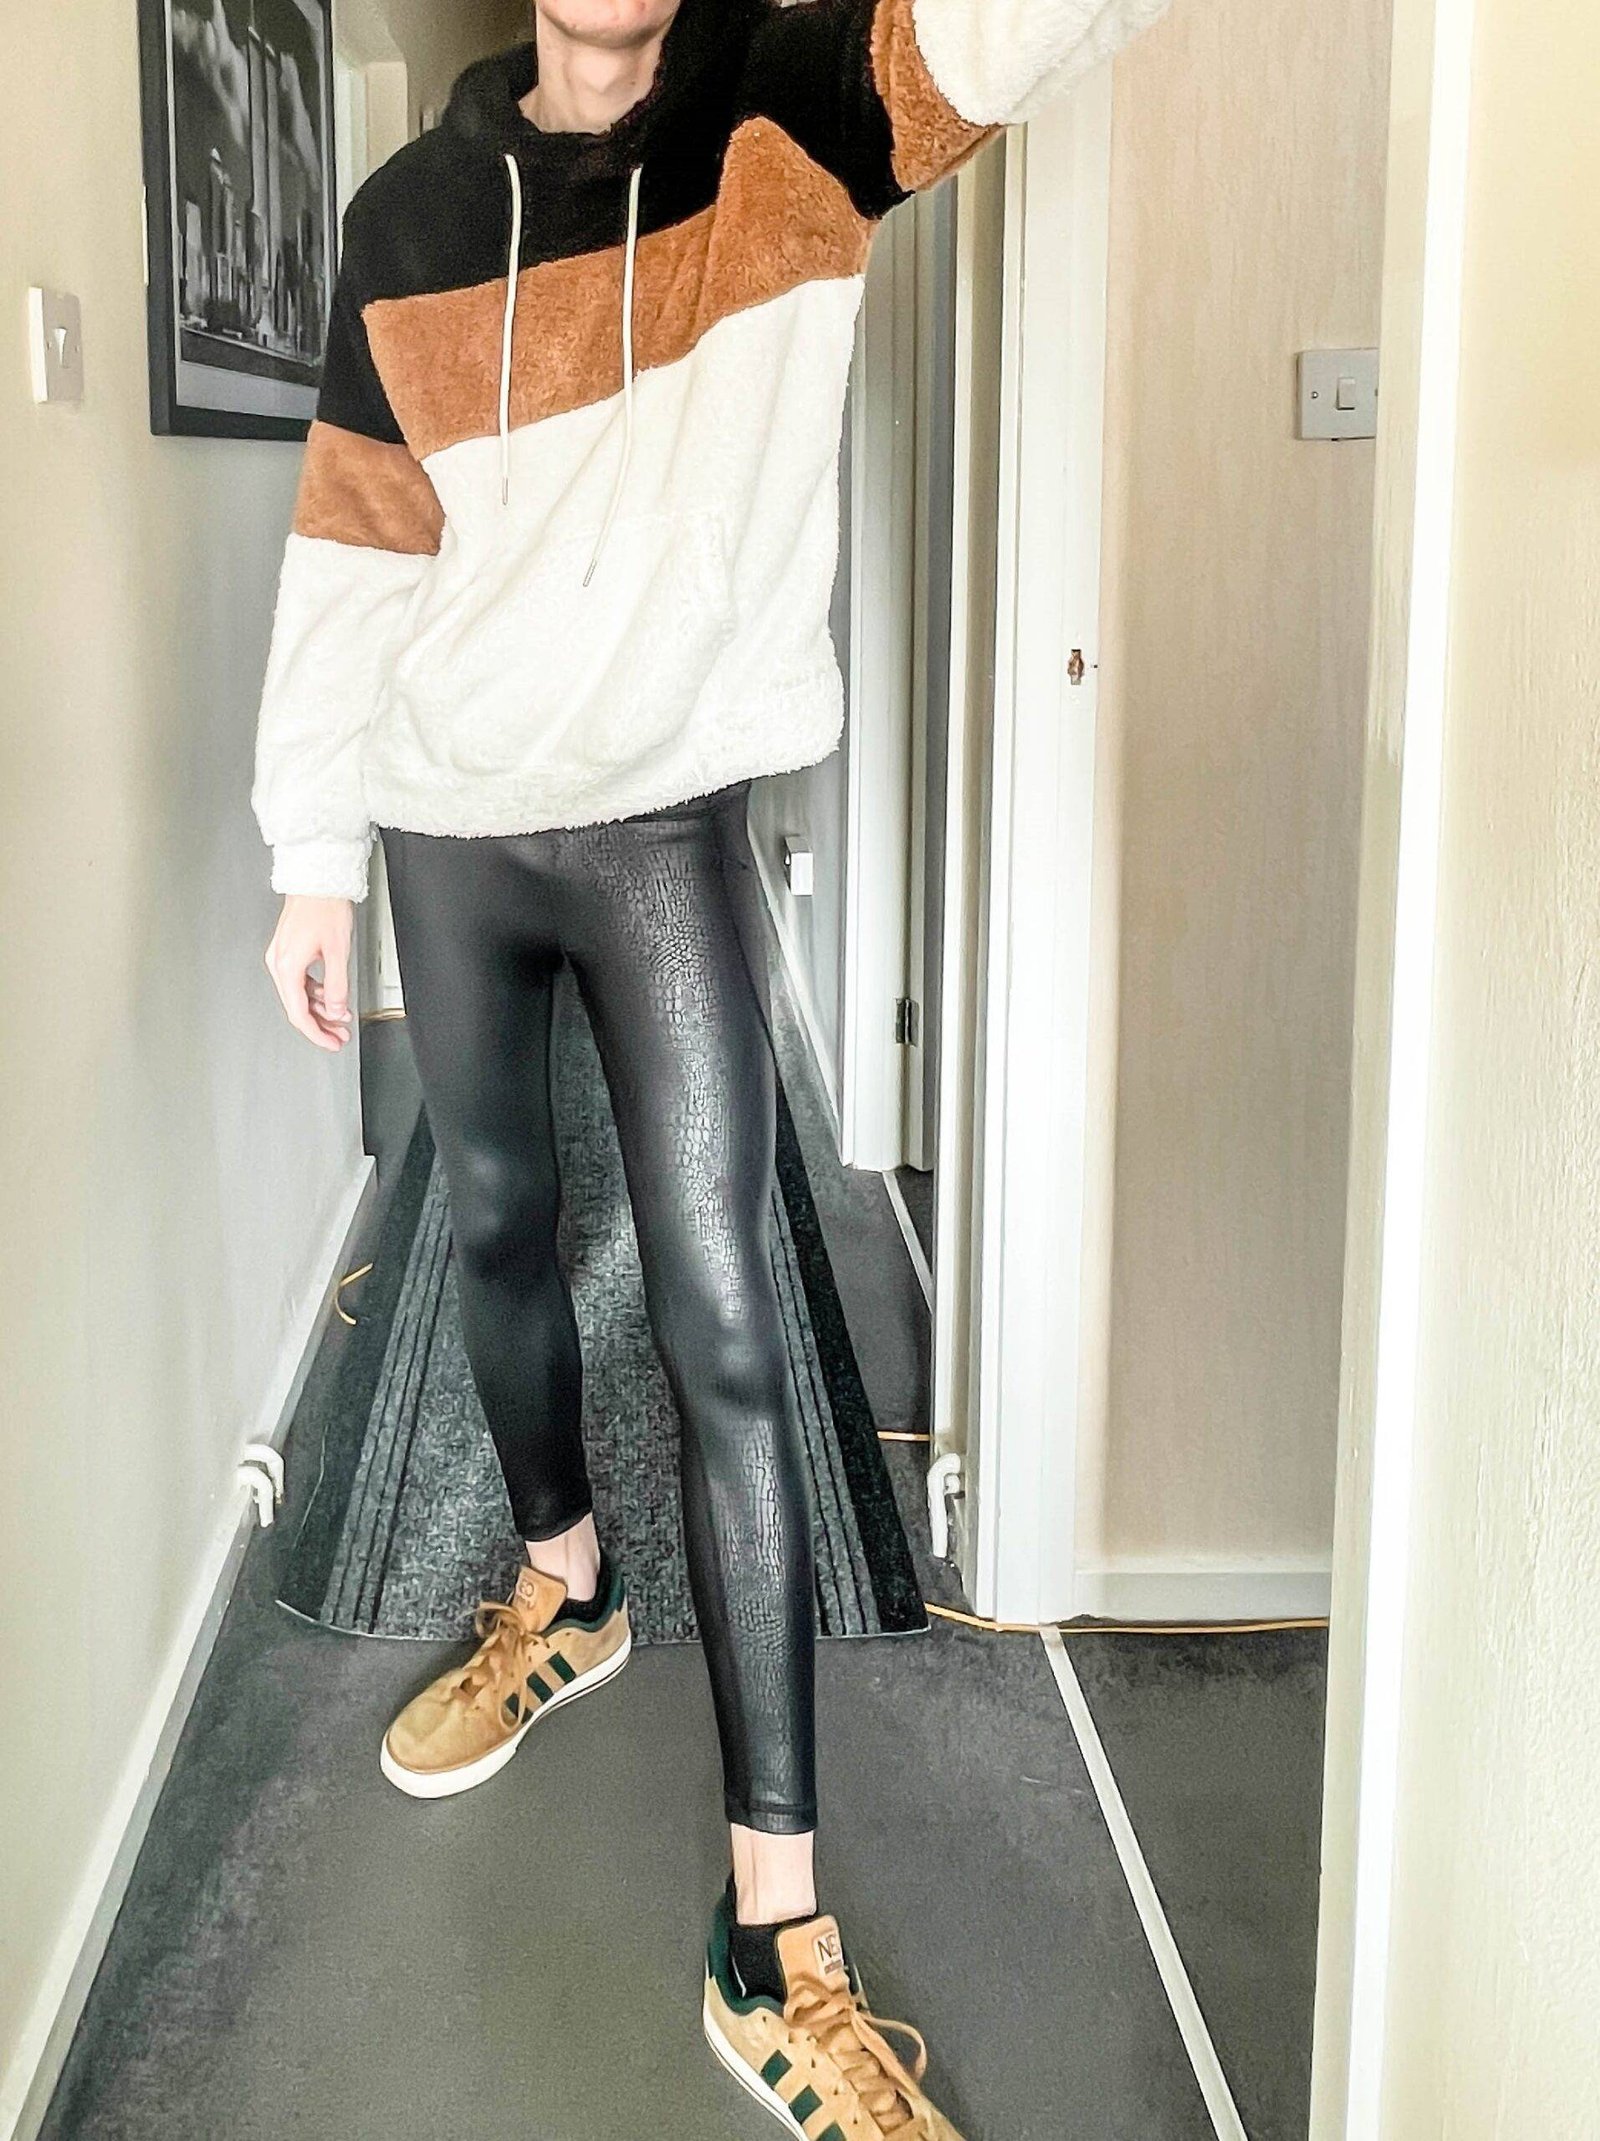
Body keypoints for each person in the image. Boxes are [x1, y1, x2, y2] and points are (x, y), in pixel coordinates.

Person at [253, 0, 1168, 2130]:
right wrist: (312, 857)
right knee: (495, 1224)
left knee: (733, 1322)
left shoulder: (794, 108)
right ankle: (560, 1586)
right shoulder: (407, 216)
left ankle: (774, 1935)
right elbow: (353, 546)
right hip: (445, 824)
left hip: (665, 823)